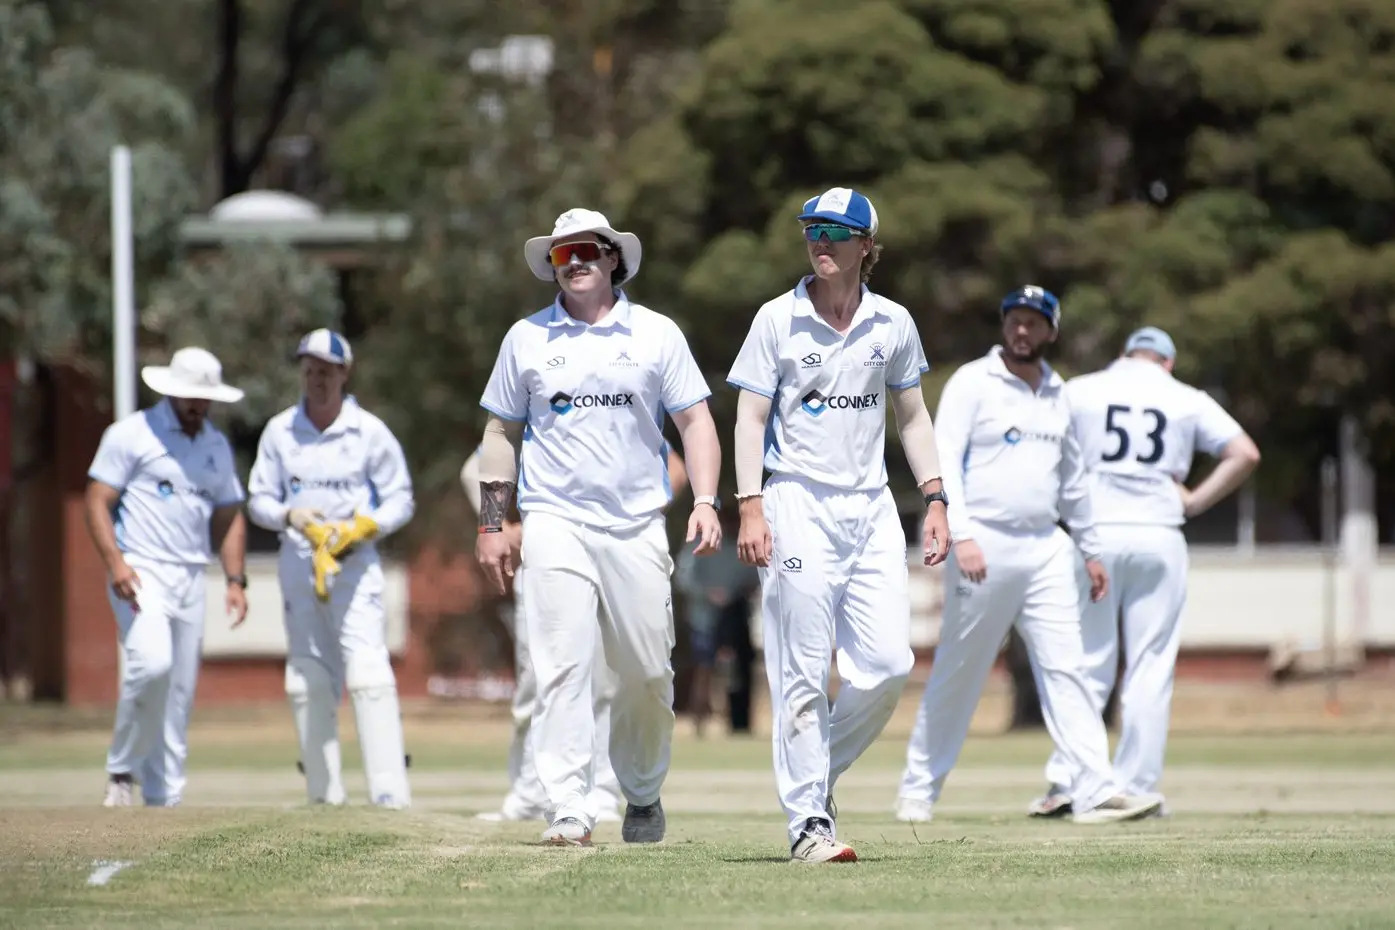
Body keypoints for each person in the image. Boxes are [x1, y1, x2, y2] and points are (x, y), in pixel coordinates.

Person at [475, 208, 723, 847]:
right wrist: (492, 524)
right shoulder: (526, 338)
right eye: (563, 254)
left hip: (636, 524)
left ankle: (641, 791)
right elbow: (500, 433)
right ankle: (568, 806)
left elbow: (696, 422)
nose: (576, 261)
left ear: (614, 258)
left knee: (647, 672)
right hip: (554, 519)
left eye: (588, 250)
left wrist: (705, 500)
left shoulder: (657, 334)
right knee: (560, 666)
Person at [727, 187, 951, 864]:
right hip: (795, 500)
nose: (819, 243)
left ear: (866, 246)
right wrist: (749, 503)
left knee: (888, 666)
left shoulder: (893, 322)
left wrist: (936, 499)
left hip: (871, 507)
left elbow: (912, 417)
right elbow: (749, 418)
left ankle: (814, 780)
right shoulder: (777, 318)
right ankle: (807, 824)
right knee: (801, 671)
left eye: (834, 232)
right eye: (811, 231)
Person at [895, 286, 1163, 825]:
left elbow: (1074, 480)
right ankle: (918, 791)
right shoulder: (974, 381)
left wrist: (1090, 549)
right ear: (1004, 326)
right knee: (960, 671)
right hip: (983, 543)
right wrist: (962, 534)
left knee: (1069, 668)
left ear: (1051, 331)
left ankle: (1094, 790)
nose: (1023, 330)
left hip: (1046, 548)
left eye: (1034, 323)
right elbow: (945, 456)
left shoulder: (1059, 393)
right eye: (1015, 320)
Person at [1031, 326, 1261, 816]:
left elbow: (1040, 445)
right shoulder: (1187, 398)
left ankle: (1069, 782)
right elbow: (1245, 453)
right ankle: (1137, 787)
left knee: (1086, 662)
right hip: (1159, 533)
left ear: (1124, 354)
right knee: (1150, 667)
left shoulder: (1081, 390)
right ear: (1168, 362)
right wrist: (1194, 501)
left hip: (1094, 534)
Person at [247, 329, 416, 809]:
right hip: (300, 562)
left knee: (367, 670)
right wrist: (291, 516)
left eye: (326, 371)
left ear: (345, 373)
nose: (317, 379)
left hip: (354, 565)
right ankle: (323, 795)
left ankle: (389, 794)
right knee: (306, 676)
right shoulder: (280, 431)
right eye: (309, 370)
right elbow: (258, 499)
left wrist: (365, 526)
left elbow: (401, 499)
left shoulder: (369, 432)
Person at [84, 347, 250, 807]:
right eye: (191, 396)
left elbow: (229, 513)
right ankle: (122, 769)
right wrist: (116, 562)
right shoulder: (132, 433)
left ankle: (164, 797)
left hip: (191, 574)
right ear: (171, 391)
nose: (198, 404)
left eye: (205, 397)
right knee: (152, 664)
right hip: (141, 569)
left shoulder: (216, 445)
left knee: (178, 692)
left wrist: (235, 580)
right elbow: (96, 499)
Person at [674, 504, 759, 736]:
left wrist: (739, 592)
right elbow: (684, 580)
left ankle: (739, 723)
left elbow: (753, 579)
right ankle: (698, 721)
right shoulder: (697, 544)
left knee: (738, 671)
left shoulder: (741, 546)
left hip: (735, 618)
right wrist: (708, 594)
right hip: (705, 619)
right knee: (704, 670)